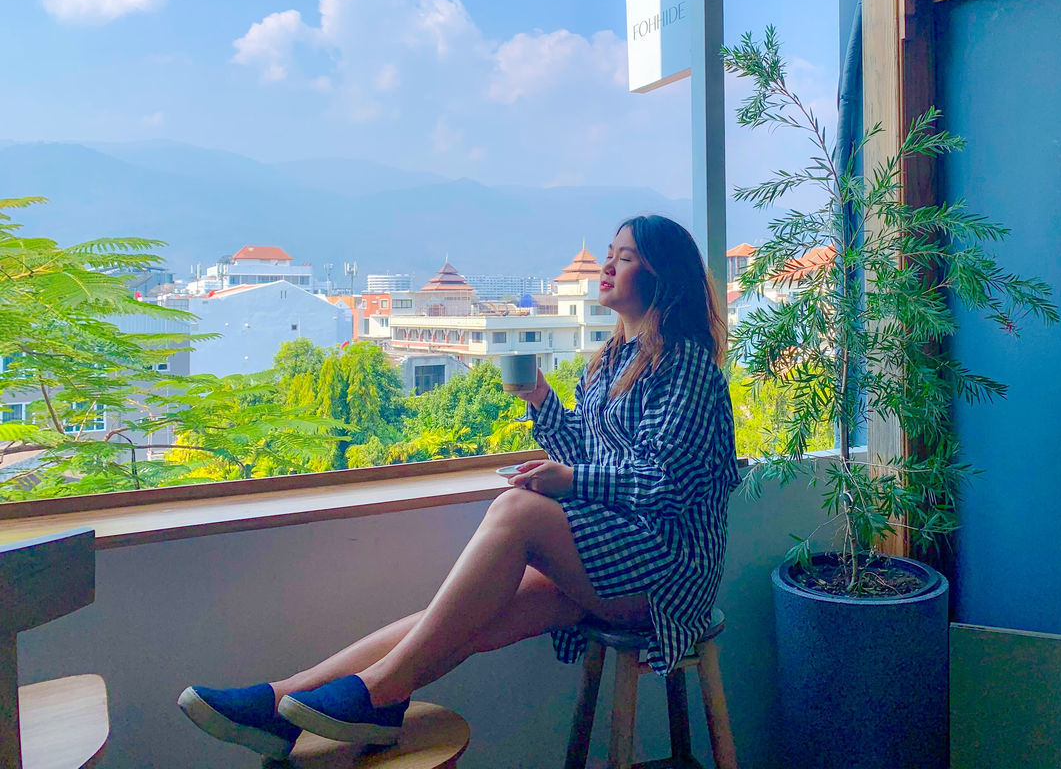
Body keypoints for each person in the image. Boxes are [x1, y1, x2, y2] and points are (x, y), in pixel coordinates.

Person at [177, 215, 740, 759]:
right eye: (609, 257)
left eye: (626, 258)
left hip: (668, 570)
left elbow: (670, 484)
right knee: (453, 621)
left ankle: (379, 696)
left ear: (663, 279)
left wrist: (568, 480)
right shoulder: (611, 360)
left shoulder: (683, 362)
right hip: (614, 555)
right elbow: (595, 461)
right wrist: (543, 402)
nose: (608, 269)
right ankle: (281, 704)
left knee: (517, 510)